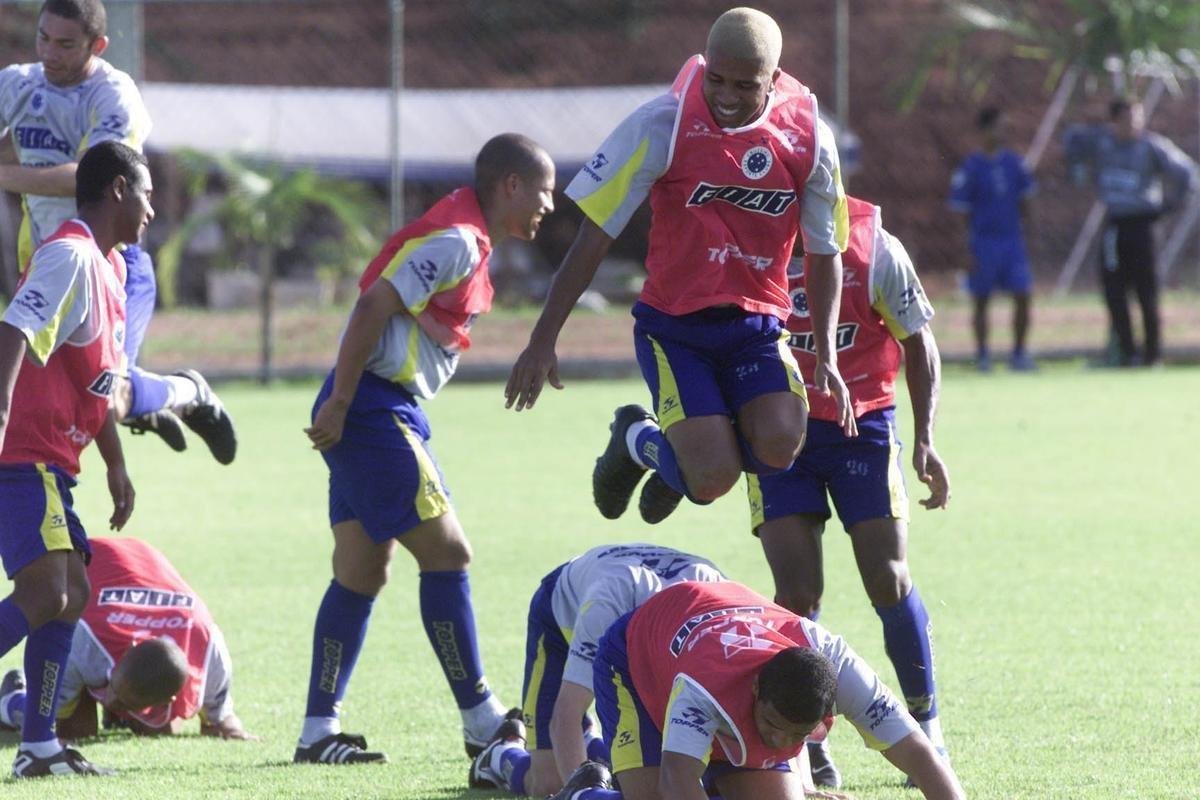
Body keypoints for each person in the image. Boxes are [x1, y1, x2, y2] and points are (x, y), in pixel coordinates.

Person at [505, 7, 855, 526]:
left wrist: (826, 352)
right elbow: (593, 237)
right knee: (713, 479)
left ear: (774, 80)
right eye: (716, 79)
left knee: (782, 445)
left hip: (756, 325)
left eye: (745, 84)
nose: (727, 97)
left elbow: (826, 251)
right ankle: (639, 438)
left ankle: (683, 460)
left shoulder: (808, 137)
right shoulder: (662, 124)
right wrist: (542, 339)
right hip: (674, 329)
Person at [295, 132, 556, 766]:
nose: (551, 206)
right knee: (448, 552)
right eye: (545, 192)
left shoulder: (468, 236)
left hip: (377, 406)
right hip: (373, 409)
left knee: (361, 569)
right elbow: (370, 309)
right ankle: (480, 719)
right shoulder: (457, 241)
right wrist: (342, 402)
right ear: (512, 185)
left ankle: (316, 732)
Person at [750, 195, 949, 788]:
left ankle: (927, 724)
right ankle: (805, 739)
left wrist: (926, 439)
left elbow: (919, 341)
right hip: (781, 428)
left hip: (862, 425)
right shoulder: (752, 239)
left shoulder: (876, 248)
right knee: (797, 592)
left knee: (887, 577)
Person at [0, 0, 236, 462]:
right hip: (44, 270)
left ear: (98, 45)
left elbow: (88, 177)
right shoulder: (18, 85)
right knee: (59, 402)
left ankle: (189, 391)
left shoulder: (114, 95)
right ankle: (139, 409)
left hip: (112, 265)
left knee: (106, 398)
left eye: (66, 44)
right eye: (43, 38)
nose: (50, 52)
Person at [0, 139, 151, 777]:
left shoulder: (112, 269)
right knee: (47, 592)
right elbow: (13, 329)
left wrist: (114, 462)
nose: (152, 209)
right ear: (118, 188)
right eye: (146, 192)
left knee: (72, 592)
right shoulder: (69, 256)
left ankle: (39, 747)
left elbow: (98, 378)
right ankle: (38, 745)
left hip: (55, 458)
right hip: (22, 452)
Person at [552, 580, 965, 800]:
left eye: (798, 736)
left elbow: (920, 755)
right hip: (636, 657)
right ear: (755, 690)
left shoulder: (840, 668)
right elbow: (676, 781)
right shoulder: (704, 688)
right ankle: (584, 793)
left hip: (708, 636)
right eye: (771, 724)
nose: (780, 741)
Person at [469, 543, 726, 797]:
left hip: (628, 596)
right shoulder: (606, 607)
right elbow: (565, 715)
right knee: (548, 781)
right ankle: (501, 753)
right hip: (562, 614)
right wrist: (578, 790)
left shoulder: (719, 600)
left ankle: (590, 743)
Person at [0, 536, 255, 740]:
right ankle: (11, 699)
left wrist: (233, 731)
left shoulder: (209, 651)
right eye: (115, 689)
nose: (111, 699)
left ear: (170, 698)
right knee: (70, 729)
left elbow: (221, 722)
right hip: (90, 565)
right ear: (131, 649)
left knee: (158, 731)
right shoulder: (84, 641)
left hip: (140, 580)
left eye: (121, 701)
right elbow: (47, 717)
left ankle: (124, 711)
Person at [1063, 96, 1197, 367]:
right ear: (1114, 122)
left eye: (1137, 118)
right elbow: (1071, 139)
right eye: (1126, 119)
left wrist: (1172, 204)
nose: (1133, 125)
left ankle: (1152, 355)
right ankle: (1126, 352)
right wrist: (1077, 166)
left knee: (1146, 292)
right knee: (1114, 291)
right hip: (1115, 225)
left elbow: (1187, 173)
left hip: (1143, 225)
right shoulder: (1102, 143)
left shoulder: (1151, 146)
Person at [949, 106, 1036, 372]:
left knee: (1022, 294)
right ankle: (983, 356)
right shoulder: (971, 168)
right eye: (998, 126)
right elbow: (960, 212)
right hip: (983, 243)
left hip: (1011, 241)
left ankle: (1019, 355)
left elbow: (1027, 203)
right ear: (985, 129)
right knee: (981, 299)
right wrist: (965, 248)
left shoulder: (1015, 163)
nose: (1003, 132)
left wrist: (1029, 235)